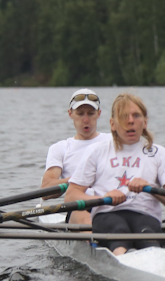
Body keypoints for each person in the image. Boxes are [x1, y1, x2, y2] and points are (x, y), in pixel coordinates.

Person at [65, 93, 165, 255]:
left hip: (145, 216)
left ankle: (153, 259)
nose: (130, 121)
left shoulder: (159, 154)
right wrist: (102, 199)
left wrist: (150, 188)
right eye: (124, 116)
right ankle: (123, 256)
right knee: (118, 230)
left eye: (136, 115)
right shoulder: (97, 151)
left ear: (145, 122)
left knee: (147, 234)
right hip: (107, 215)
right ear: (112, 124)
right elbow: (71, 196)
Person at [41, 89, 112, 224]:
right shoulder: (60, 148)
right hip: (79, 208)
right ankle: (95, 242)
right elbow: (45, 190)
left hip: (111, 204)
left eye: (91, 114)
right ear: (70, 114)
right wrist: (79, 180)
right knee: (84, 217)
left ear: (99, 114)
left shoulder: (113, 141)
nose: (86, 120)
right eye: (80, 114)